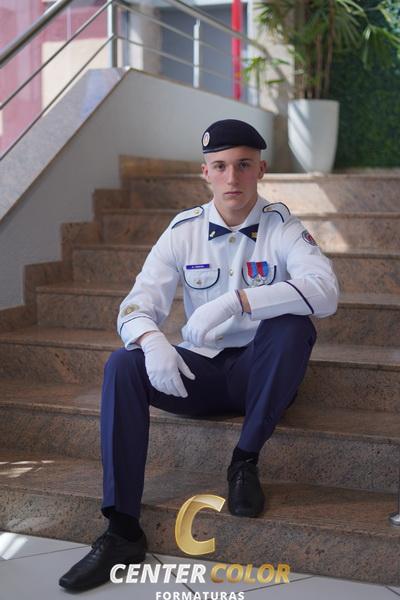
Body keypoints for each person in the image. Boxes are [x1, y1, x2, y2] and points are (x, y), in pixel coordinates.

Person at [59, 119, 339, 592]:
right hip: (200, 373)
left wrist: (240, 301)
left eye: (243, 165)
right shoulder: (182, 231)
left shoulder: (283, 227)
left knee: (292, 325)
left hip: (260, 374)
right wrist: (152, 341)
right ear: (204, 172)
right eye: (220, 166)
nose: (232, 178)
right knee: (122, 364)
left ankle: (244, 461)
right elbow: (136, 304)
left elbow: (326, 292)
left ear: (261, 170)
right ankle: (122, 530)